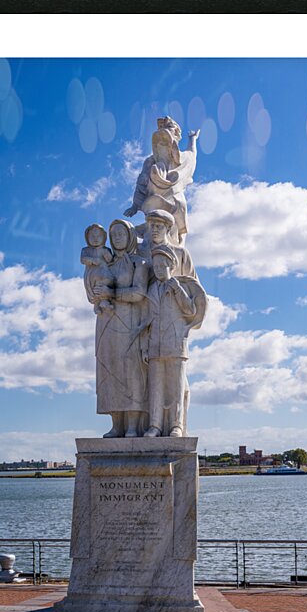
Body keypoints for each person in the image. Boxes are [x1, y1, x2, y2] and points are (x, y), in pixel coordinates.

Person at [86, 219, 150, 438]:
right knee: (109, 371)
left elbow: (139, 293)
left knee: (131, 371)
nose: (117, 238)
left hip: (130, 322)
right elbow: (93, 287)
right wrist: (96, 295)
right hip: (106, 321)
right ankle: (117, 425)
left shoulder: (138, 263)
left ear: (130, 235)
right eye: (113, 235)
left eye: (121, 233)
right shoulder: (106, 264)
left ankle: (133, 425)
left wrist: (112, 294)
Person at [142, 241, 206, 437]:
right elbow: (148, 320)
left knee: (176, 387)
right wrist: (145, 346)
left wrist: (177, 290)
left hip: (176, 345)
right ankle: (155, 425)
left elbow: (190, 310)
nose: (160, 270)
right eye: (157, 266)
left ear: (171, 266)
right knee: (155, 388)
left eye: (163, 266)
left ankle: (176, 425)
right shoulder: (151, 289)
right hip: (155, 346)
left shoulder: (178, 286)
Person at [124, 116, 199, 246]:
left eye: (166, 142)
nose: (162, 146)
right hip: (155, 201)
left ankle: (176, 252)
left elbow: (192, 154)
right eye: (159, 143)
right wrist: (135, 205)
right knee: (152, 231)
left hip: (175, 201)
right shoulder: (151, 162)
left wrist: (193, 139)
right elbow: (141, 183)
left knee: (174, 233)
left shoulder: (183, 159)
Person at [81, 223, 115, 314]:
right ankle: (97, 305)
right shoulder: (86, 250)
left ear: (104, 237)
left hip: (105, 273)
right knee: (95, 288)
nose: (95, 238)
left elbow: (111, 260)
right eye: (92, 236)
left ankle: (104, 301)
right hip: (92, 274)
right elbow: (83, 259)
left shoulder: (105, 249)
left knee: (105, 284)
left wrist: (107, 256)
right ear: (87, 238)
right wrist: (92, 260)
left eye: (99, 236)